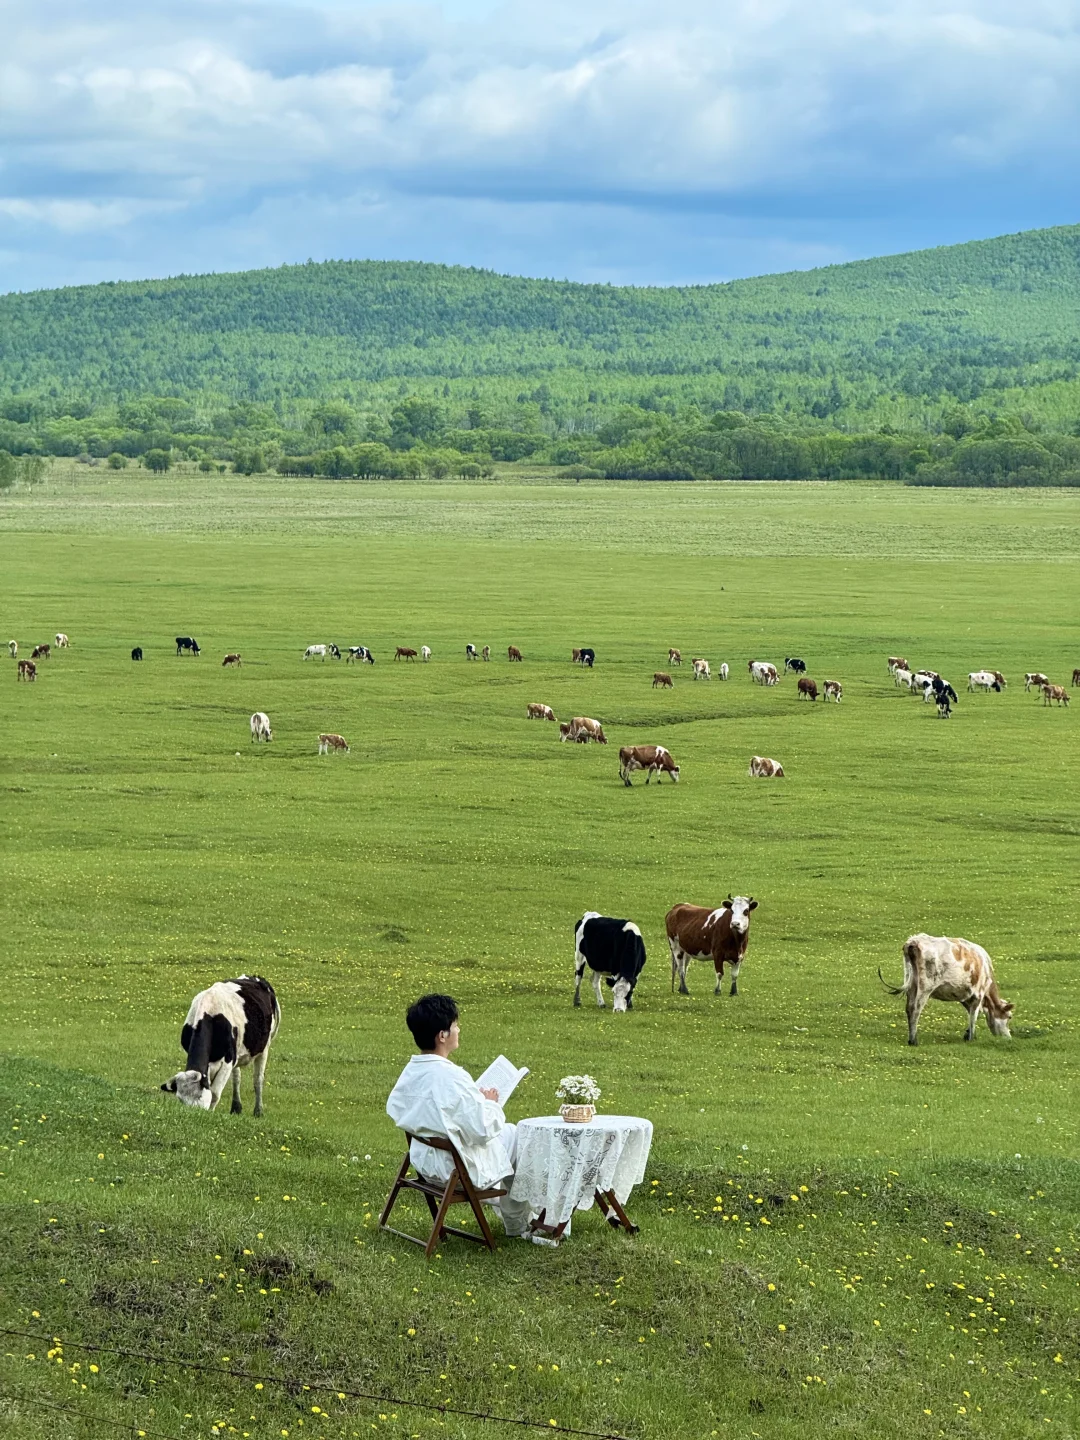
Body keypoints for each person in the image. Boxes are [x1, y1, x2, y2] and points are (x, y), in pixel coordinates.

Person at [386, 994, 533, 1239]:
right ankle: (516, 1223)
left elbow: (398, 1107)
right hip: (452, 1170)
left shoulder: (413, 1069)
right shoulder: (451, 1077)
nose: (458, 1029)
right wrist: (491, 1104)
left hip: (424, 1161)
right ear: (442, 1036)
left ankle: (519, 1217)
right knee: (520, 1138)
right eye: (455, 1026)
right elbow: (482, 1129)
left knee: (509, 1133)